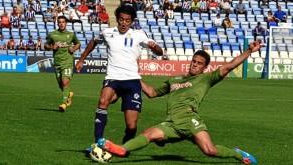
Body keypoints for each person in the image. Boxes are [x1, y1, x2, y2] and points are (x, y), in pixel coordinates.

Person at [97, 39, 263, 164]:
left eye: (199, 64)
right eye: (194, 61)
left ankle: (238, 154)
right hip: (171, 123)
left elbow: (229, 66)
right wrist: (133, 76)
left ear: (204, 67)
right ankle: (121, 149)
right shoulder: (174, 79)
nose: (195, 65)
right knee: (148, 133)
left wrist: (249, 51)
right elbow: (152, 92)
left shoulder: (205, 79)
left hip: (190, 120)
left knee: (210, 151)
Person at [75, 5, 163, 150]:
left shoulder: (139, 34)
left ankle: (125, 146)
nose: (123, 23)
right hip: (113, 78)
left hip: (132, 81)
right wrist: (82, 59)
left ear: (132, 21)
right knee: (103, 101)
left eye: (127, 20)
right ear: (117, 19)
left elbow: (159, 52)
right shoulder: (108, 32)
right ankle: (98, 144)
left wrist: (154, 47)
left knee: (131, 126)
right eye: (121, 20)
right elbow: (93, 42)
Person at [45, 15, 81, 112]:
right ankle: (68, 95)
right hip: (57, 62)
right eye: (59, 22)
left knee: (65, 82)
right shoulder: (53, 34)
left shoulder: (71, 34)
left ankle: (63, 104)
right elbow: (46, 45)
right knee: (61, 85)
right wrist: (52, 47)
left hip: (67, 61)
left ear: (66, 23)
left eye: (63, 22)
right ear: (57, 23)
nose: (61, 24)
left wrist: (73, 48)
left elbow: (78, 43)